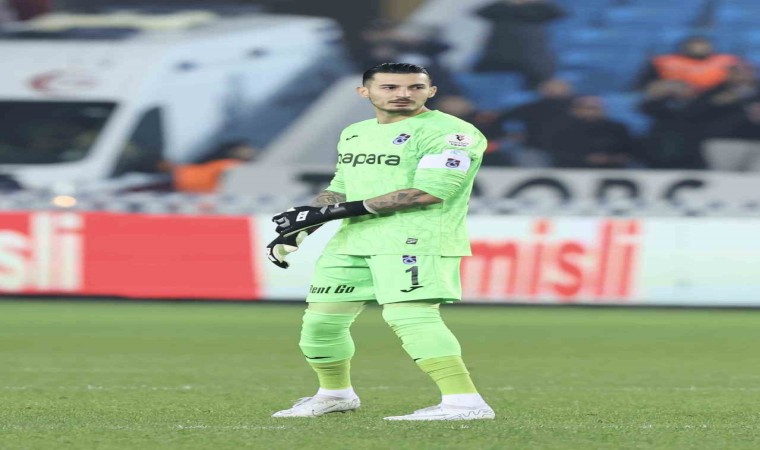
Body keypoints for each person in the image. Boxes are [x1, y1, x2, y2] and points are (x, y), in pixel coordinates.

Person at [265, 63, 494, 421]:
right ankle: (335, 394)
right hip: (353, 240)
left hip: (414, 239)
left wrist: (334, 212)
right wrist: (306, 222)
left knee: (411, 317)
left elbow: (429, 192)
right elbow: (341, 187)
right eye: (389, 87)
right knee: (320, 324)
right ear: (365, 92)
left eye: (414, 87)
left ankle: (464, 403)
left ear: (431, 92)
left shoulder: (453, 133)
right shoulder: (355, 133)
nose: (403, 94)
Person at [472, 0, 566, 88]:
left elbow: (559, 14)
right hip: (497, 55)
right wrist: (513, 4)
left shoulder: (542, 10)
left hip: (533, 58)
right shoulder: (499, 9)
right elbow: (479, 12)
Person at [543, 96, 637, 168]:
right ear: (575, 110)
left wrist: (612, 158)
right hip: (572, 169)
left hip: (613, 169)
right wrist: (586, 159)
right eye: (588, 108)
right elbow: (556, 151)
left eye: (596, 108)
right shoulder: (562, 128)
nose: (592, 111)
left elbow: (628, 150)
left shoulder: (618, 128)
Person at [635, 36, 744, 94]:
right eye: (696, 44)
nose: (700, 48)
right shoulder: (664, 61)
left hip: (717, 99)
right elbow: (644, 85)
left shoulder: (729, 61)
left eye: (703, 44)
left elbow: (744, 84)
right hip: (674, 100)